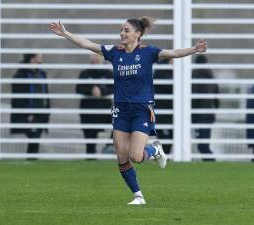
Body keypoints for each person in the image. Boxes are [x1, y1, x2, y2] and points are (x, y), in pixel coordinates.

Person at [49, 17, 207, 205]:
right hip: (121, 110)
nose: (122, 33)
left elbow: (173, 53)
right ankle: (138, 195)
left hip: (142, 109)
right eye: (121, 30)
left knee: (136, 156)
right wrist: (65, 33)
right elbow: (88, 44)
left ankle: (154, 149)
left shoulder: (148, 52)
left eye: (126, 30)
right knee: (121, 154)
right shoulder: (115, 52)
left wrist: (194, 49)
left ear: (137, 34)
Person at [10, 54, 50, 158]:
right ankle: (31, 160)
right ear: (32, 59)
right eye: (39, 58)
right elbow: (18, 97)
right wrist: (28, 113)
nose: (41, 60)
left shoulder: (42, 74)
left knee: (35, 139)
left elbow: (45, 94)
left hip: (40, 114)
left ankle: (32, 160)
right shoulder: (21, 75)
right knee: (33, 136)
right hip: (28, 115)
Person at [76, 54, 113, 155]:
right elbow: (79, 88)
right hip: (88, 113)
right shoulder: (84, 74)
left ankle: (109, 146)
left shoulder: (108, 74)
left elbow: (114, 88)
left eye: (97, 58)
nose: (95, 60)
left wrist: (101, 90)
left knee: (119, 123)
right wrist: (91, 90)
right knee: (90, 142)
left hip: (104, 110)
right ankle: (91, 159)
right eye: (93, 58)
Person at [192, 55, 218, 161]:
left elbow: (194, 97)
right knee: (204, 144)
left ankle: (211, 163)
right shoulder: (211, 76)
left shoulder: (194, 76)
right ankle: (210, 162)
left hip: (198, 115)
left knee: (202, 146)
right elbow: (217, 99)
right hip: (209, 115)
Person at [153, 59, 174, 154]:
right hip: (163, 115)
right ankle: (162, 159)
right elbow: (172, 87)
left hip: (168, 114)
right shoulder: (161, 73)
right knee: (165, 140)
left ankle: (164, 159)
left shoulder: (166, 73)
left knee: (168, 140)